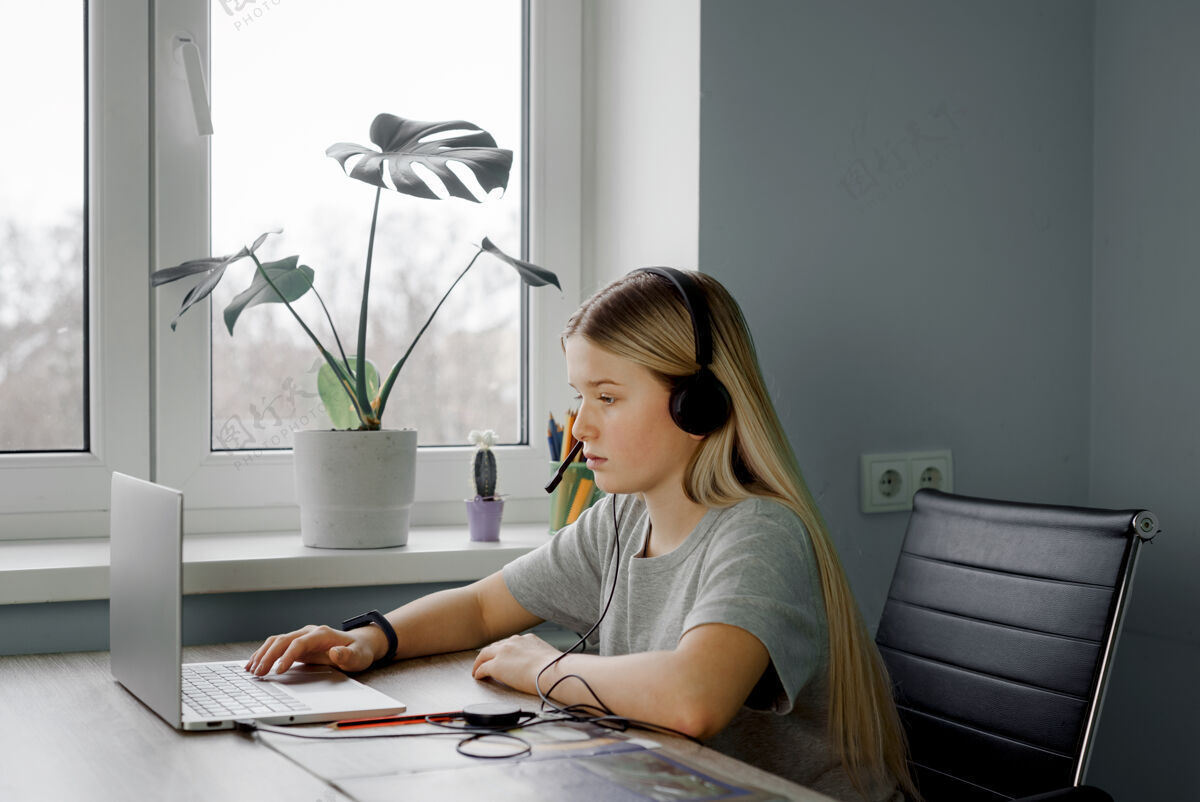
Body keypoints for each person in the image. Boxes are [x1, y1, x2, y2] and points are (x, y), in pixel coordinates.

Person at [245, 269, 914, 802]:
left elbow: (691, 702)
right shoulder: (622, 520)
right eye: (579, 396)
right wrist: (370, 639)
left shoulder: (760, 533)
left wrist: (542, 669)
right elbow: (484, 606)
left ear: (698, 405)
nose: (580, 427)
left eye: (608, 397)